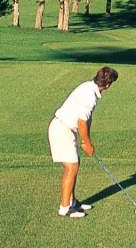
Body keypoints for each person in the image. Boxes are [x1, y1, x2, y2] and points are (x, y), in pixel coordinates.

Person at [48, 66, 118, 218]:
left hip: (66, 129)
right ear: (108, 84)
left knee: (74, 164)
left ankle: (72, 202)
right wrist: (86, 143)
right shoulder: (90, 96)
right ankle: (65, 208)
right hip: (62, 129)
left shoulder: (89, 87)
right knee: (71, 167)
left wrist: (87, 140)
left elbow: (86, 120)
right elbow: (81, 121)